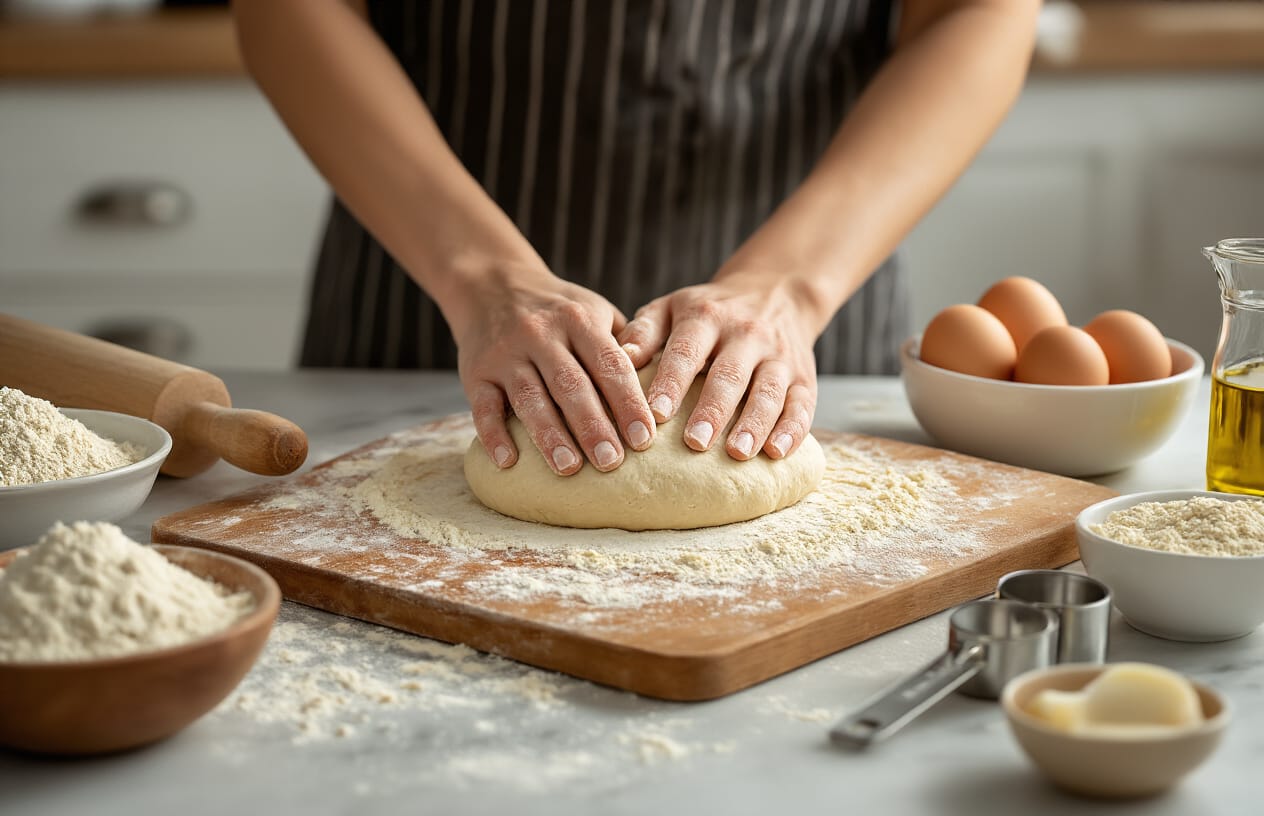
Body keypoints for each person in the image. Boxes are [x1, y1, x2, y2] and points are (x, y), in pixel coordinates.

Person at [234, 0, 1040, 477]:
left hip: (809, 282)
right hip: (423, 285)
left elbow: (979, 10)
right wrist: (479, 276)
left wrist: (790, 288)